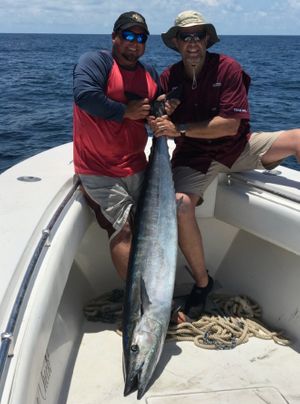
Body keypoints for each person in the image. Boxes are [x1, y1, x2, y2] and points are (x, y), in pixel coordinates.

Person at [149, 10, 300, 320]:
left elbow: (230, 125)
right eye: (185, 36)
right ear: (176, 42)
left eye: (198, 35)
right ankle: (202, 283)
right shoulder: (169, 76)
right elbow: (158, 119)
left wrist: (179, 128)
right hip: (195, 159)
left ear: (207, 39)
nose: (192, 42)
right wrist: (162, 110)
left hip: (238, 149)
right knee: (179, 205)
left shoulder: (228, 68)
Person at [73, 11, 161, 280]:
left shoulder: (150, 74)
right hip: (98, 169)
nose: (134, 43)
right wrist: (125, 111)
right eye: (128, 35)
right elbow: (84, 96)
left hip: (138, 165)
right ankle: (142, 306)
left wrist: (163, 111)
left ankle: (155, 289)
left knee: (152, 230)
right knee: (123, 230)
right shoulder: (96, 61)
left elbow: (151, 114)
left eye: (141, 38)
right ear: (114, 37)